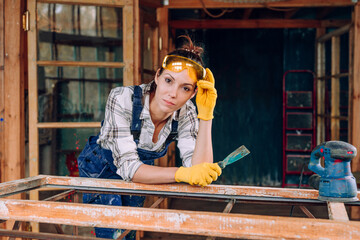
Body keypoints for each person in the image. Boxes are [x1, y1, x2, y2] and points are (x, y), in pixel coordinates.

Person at [77, 35, 222, 240]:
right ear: (157, 76)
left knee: (128, 232)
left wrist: (206, 115)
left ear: (193, 93)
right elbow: (128, 167)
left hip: (143, 173)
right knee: (112, 233)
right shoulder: (122, 98)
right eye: (169, 81)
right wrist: (182, 173)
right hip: (102, 171)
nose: (173, 93)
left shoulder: (187, 112)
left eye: (185, 88)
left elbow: (199, 169)